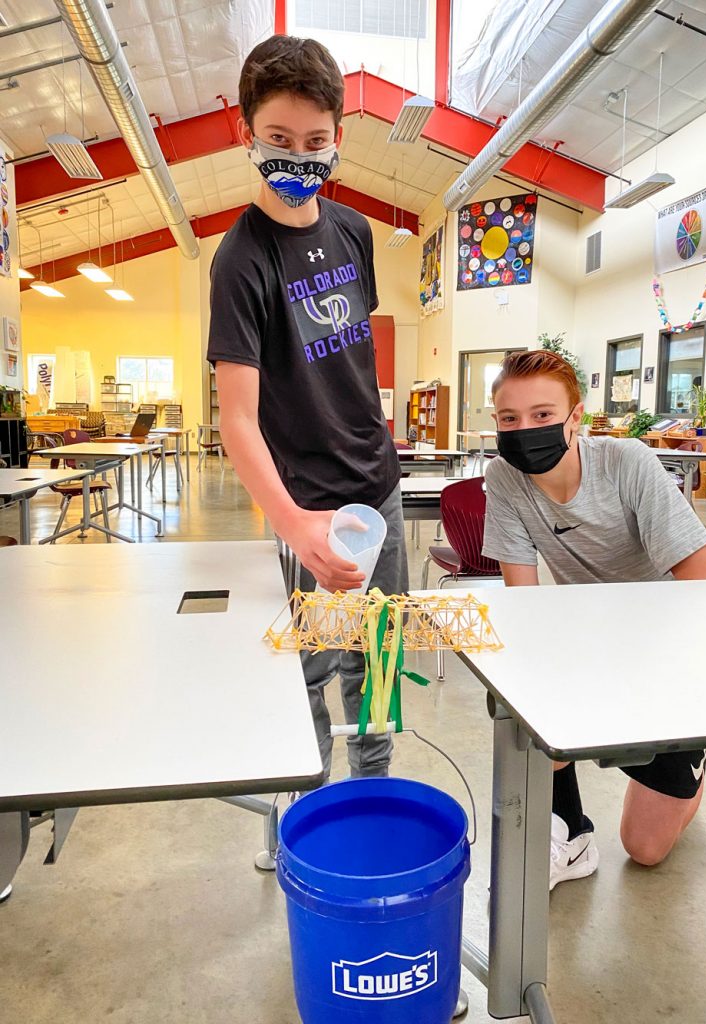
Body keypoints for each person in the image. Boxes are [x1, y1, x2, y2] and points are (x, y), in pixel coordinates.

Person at [206, 34, 407, 781]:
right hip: (310, 508)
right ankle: (314, 800)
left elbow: (351, 359)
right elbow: (237, 419)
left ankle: (376, 790)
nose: (299, 159)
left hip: (377, 490)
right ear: (246, 134)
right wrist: (296, 527)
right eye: (279, 141)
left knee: (379, 656)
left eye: (316, 142)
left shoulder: (355, 232)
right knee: (316, 662)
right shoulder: (240, 261)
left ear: (339, 139)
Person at [481, 350, 706, 890]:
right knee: (523, 693)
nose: (525, 430)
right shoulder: (504, 478)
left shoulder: (626, 463)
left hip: (663, 645)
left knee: (645, 849)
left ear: (575, 417)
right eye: (509, 419)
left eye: (543, 415)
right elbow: (525, 604)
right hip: (587, 637)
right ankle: (570, 833)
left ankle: (694, 759)